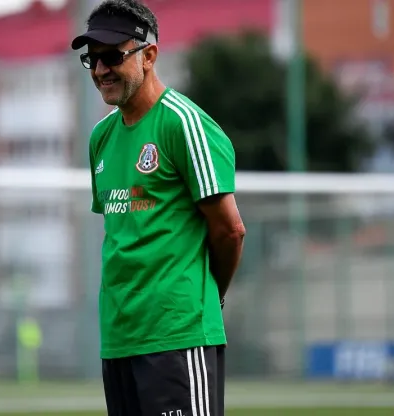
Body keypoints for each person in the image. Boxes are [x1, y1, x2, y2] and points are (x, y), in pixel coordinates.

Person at [71, 1, 246, 415]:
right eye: (92, 59)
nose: (100, 71)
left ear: (149, 55)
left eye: (112, 56)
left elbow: (230, 231)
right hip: (118, 341)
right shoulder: (101, 137)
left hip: (177, 338)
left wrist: (205, 297)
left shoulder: (184, 124)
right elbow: (124, 235)